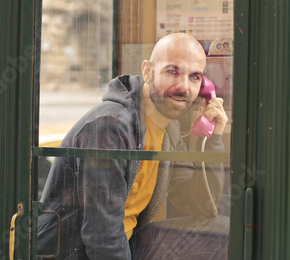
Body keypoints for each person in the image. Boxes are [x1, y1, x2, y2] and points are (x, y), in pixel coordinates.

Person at [37, 33, 229, 259]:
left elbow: (200, 207)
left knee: (222, 232)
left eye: (195, 77)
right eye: (172, 72)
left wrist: (212, 138)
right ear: (147, 71)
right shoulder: (109, 127)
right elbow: (102, 236)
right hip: (76, 253)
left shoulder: (169, 129)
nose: (183, 87)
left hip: (128, 243)